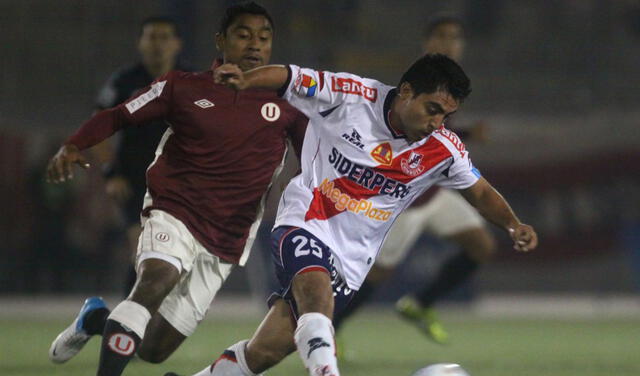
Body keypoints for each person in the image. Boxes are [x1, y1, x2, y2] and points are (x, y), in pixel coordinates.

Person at [170, 53, 537, 376]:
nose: (437, 123)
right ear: (406, 91)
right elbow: (290, 76)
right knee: (317, 296)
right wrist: (247, 79)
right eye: (433, 109)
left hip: (352, 260)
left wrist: (512, 223)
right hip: (305, 222)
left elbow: (481, 192)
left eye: (446, 115)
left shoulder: (442, 149)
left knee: (263, 352)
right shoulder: (349, 96)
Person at [46, 3, 307, 376]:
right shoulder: (182, 86)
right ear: (221, 41)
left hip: (227, 236)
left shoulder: (289, 104)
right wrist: (74, 145)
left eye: (264, 38)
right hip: (175, 209)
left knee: (154, 349)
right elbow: (119, 114)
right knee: (156, 279)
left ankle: (97, 319)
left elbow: (315, 157)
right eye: (243, 35)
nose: (255, 45)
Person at [331, 14, 496, 345]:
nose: (449, 42)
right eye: (442, 36)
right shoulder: (418, 80)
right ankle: (329, 328)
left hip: (432, 192)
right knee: (377, 274)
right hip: (404, 196)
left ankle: (420, 304)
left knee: (481, 245)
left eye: (455, 37)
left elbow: (437, 135)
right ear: (427, 42)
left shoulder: (453, 81)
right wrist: (466, 133)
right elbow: (407, 128)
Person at [97, 16, 186, 296]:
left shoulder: (190, 81)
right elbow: (98, 128)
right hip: (135, 182)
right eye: (151, 37)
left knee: (167, 256)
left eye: (163, 37)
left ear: (176, 44)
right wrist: (111, 173)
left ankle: (135, 318)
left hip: (178, 184)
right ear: (140, 43)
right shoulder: (124, 82)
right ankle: (129, 322)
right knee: (142, 249)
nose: (157, 44)